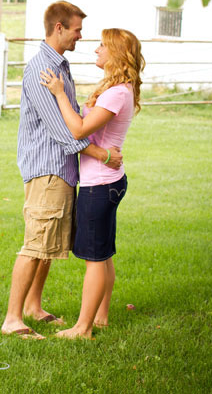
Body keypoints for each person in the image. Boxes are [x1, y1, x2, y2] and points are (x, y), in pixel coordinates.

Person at [0, 1, 122, 339]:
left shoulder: (61, 66)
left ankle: (33, 306)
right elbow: (64, 130)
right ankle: (12, 319)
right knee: (35, 242)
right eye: (77, 30)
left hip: (64, 170)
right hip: (47, 169)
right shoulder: (41, 68)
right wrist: (103, 154)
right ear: (59, 28)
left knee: (49, 243)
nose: (80, 36)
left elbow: (74, 118)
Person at [39, 28, 144, 339]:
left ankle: (83, 329)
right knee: (104, 254)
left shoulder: (117, 93)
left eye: (102, 46)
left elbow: (79, 130)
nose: (96, 50)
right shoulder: (118, 89)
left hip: (99, 187)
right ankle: (100, 318)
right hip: (107, 181)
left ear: (116, 53)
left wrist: (59, 93)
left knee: (95, 259)